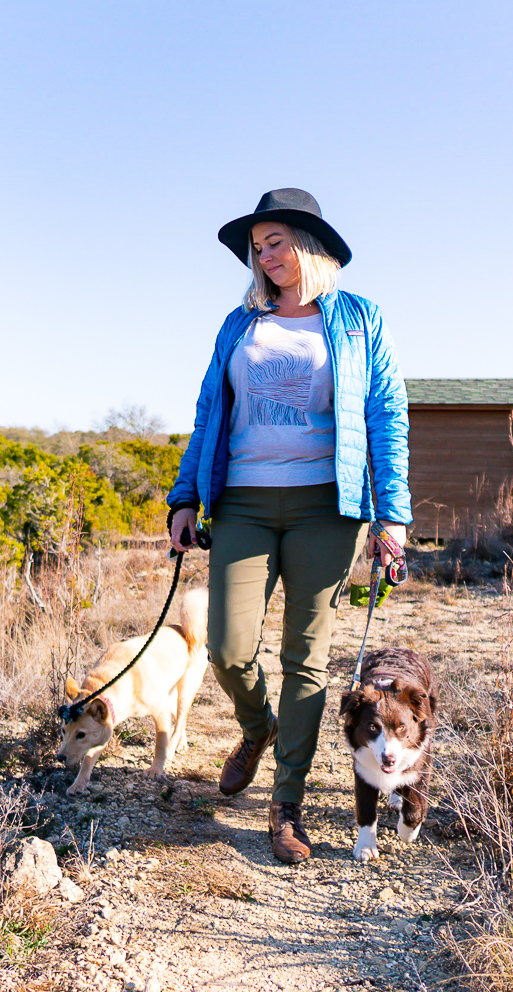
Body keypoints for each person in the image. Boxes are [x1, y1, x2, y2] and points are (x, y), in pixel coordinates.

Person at [167, 188, 411, 864]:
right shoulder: (238, 323)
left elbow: (387, 415)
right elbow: (208, 413)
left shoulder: (360, 318)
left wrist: (392, 512)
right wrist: (185, 496)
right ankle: (257, 726)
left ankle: (286, 806)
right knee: (224, 642)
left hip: (326, 508)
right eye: (258, 245)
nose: (264, 254)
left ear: (311, 244)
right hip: (242, 501)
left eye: (276, 240)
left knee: (306, 658)